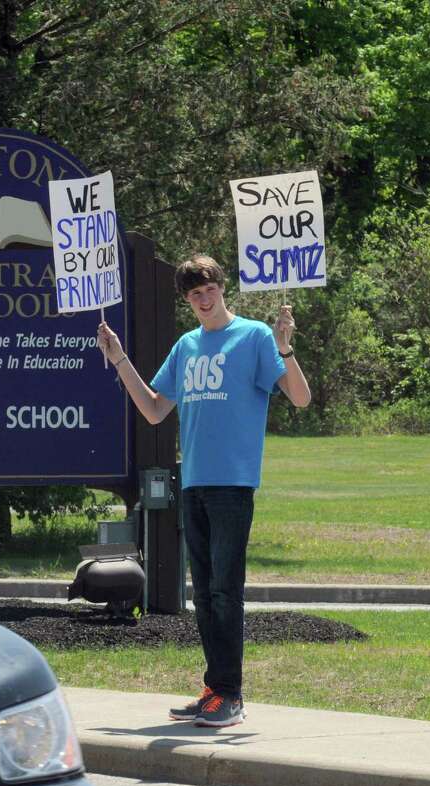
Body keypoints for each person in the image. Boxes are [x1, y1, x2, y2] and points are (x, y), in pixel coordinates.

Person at [97, 255, 311, 727]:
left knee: (225, 590)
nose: (204, 298)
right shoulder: (187, 346)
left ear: (222, 286)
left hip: (232, 484)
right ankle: (215, 688)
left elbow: (300, 398)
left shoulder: (255, 336)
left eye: (209, 288)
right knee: (205, 594)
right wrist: (119, 359)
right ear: (187, 300)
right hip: (192, 482)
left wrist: (286, 348)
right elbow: (154, 409)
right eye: (194, 294)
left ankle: (231, 695)